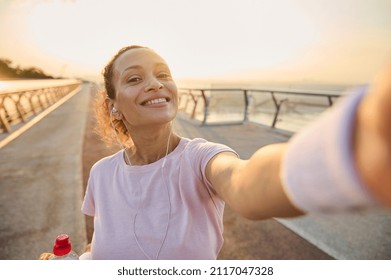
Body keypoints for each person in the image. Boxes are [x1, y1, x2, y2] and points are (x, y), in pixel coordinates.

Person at [42, 45, 391, 260]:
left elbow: (247, 183)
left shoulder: (201, 159)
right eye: (134, 79)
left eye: (163, 74)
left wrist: (353, 148)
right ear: (113, 106)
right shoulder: (103, 174)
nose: (155, 83)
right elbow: (101, 247)